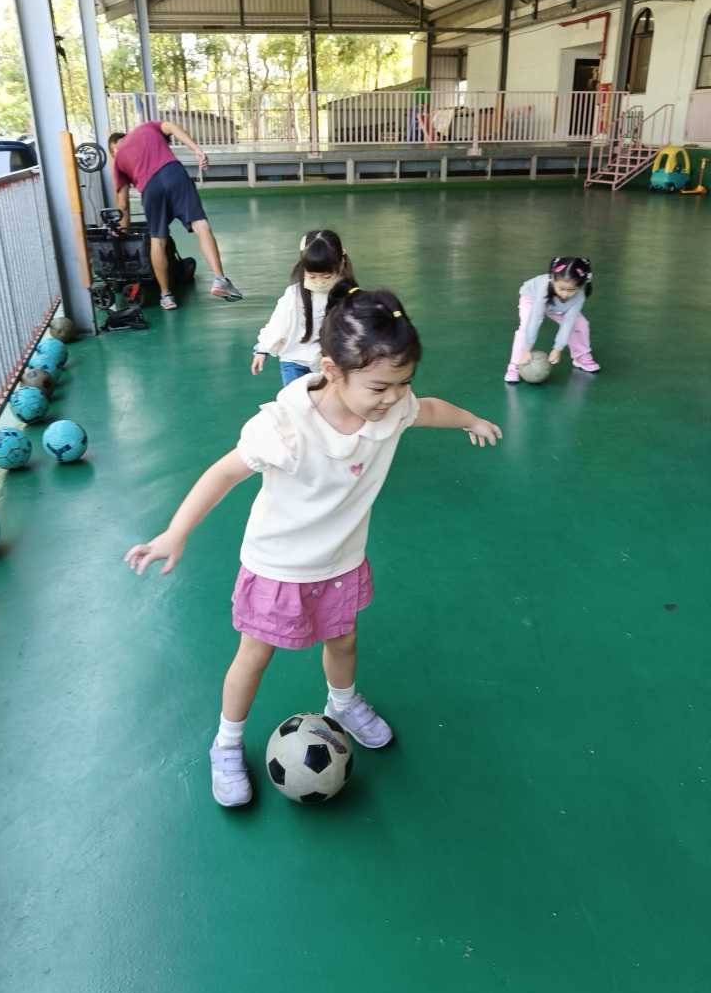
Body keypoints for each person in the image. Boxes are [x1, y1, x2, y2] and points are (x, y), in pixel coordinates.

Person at [125, 283, 503, 807]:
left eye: (403, 383)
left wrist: (471, 420)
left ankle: (341, 704)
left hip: (340, 562)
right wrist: (176, 532)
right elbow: (224, 472)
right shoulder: (284, 426)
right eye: (380, 386)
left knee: (343, 641)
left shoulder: (392, 408)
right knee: (254, 657)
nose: (394, 397)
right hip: (277, 566)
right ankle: (227, 743)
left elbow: (431, 409)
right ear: (331, 369)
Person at [109, 121, 242, 309]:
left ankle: (166, 296)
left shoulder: (118, 160)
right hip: (174, 173)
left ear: (113, 148)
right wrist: (196, 149)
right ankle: (220, 279)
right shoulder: (146, 127)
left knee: (158, 241)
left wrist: (123, 234)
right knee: (201, 225)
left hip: (150, 188)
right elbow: (172, 127)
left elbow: (123, 205)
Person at [252, 229, 354, 386]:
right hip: (294, 361)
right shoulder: (294, 295)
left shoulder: (348, 295)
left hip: (329, 364)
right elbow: (278, 323)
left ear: (341, 265)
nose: (319, 282)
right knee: (295, 399)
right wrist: (262, 349)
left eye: (327, 276)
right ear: (303, 267)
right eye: (312, 276)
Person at [504, 256, 599, 382]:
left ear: (580, 286)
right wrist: (526, 348)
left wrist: (558, 347)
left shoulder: (579, 296)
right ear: (553, 280)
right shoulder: (543, 288)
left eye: (571, 290)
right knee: (526, 325)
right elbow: (535, 319)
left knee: (580, 324)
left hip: (556, 306)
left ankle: (581, 356)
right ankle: (515, 364)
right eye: (561, 289)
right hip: (532, 298)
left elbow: (569, 321)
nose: (565, 294)